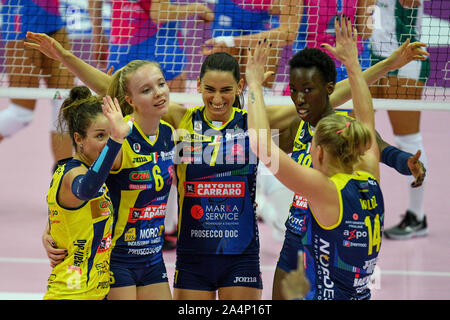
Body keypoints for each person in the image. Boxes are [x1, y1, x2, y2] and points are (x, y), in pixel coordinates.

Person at [26, 27, 426, 300]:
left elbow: (330, 98)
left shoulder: (255, 123)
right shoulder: (182, 118)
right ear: (199, 89)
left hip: (241, 255)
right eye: (211, 91)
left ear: (239, 89)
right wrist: (65, 57)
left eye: (227, 91)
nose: (218, 100)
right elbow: (117, 91)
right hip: (193, 256)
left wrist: (385, 66)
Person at [268, 22, 429, 299]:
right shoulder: (296, 123)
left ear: (327, 89)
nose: (299, 98)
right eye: (294, 90)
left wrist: (406, 162)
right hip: (297, 234)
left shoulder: (343, 125)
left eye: (308, 90)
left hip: (332, 235)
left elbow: (377, 147)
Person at [246, 18, 383, 300]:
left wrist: (255, 85)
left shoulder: (323, 190)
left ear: (319, 151)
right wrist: (354, 66)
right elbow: (366, 120)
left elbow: (261, 144)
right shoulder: (369, 172)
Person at [28, 44, 178, 298]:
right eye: (147, 90)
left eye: (161, 84)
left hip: (153, 258)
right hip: (117, 258)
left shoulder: (169, 132)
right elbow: (87, 186)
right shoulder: (118, 138)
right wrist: (51, 227)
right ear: (129, 101)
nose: (158, 93)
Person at [44, 85, 129, 299]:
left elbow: (66, 217)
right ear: (79, 139)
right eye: (100, 135)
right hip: (71, 293)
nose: (107, 142)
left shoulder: (94, 171)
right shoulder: (72, 174)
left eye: (110, 134)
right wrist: (117, 139)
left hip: (96, 292)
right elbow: (86, 189)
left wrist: (48, 231)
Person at [369, 0, 429, 239]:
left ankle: (417, 216)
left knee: (408, 138)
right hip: (374, 57)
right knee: (356, 132)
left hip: (405, 62)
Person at [0, 0, 74, 164]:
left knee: (65, 107)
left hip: (53, 19)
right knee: (20, 114)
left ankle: (64, 180)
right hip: (21, 19)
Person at [88, 0, 214, 92]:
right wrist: (198, 8)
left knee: (121, 118)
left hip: (121, 43)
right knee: (171, 118)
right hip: (160, 47)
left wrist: (98, 37)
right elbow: (159, 13)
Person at [202, 0, 301, 88]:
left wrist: (279, 3)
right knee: (227, 80)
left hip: (264, 12)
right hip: (230, 8)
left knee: (261, 80)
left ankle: (259, 103)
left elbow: (288, 33)